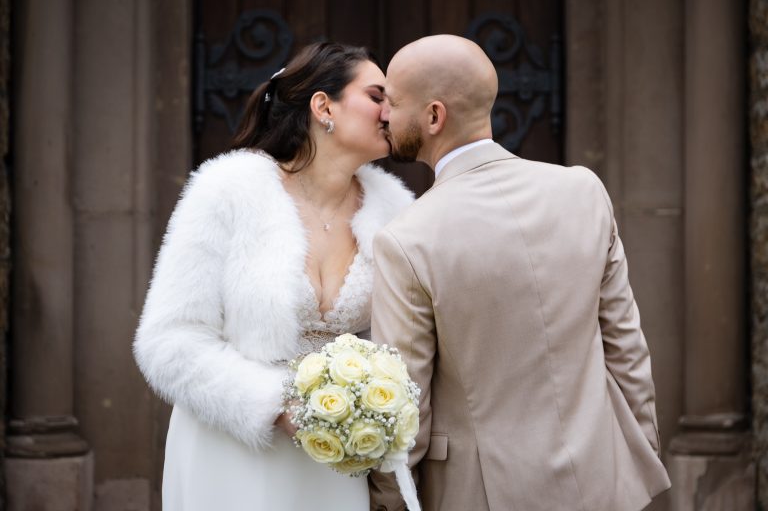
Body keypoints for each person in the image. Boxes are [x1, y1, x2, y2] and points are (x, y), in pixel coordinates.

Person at [368, 35, 671, 511]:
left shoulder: (407, 240)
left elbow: (406, 408)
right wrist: (639, 458)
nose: (383, 113)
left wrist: (390, 503)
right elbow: (627, 349)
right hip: (602, 480)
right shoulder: (583, 191)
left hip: (479, 494)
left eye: (393, 102)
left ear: (433, 117)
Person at [133, 42, 413, 511]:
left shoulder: (396, 213)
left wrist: (366, 406)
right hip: (230, 448)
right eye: (376, 96)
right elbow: (168, 340)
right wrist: (276, 406)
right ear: (323, 106)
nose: (391, 111)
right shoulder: (229, 191)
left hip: (337, 456)